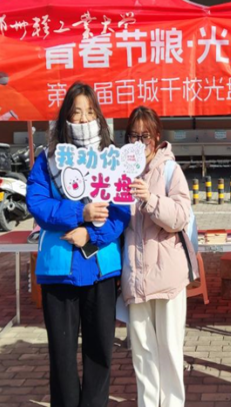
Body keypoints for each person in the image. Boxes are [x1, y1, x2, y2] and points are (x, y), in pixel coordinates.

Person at [27, 82, 130, 407]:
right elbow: (37, 203)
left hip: (101, 269)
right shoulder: (48, 159)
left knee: (100, 352)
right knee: (62, 356)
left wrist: (91, 234)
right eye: (76, 112)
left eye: (89, 111)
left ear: (98, 115)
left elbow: (121, 212)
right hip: (59, 270)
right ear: (65, 117)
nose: (83, 119)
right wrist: (79, 213)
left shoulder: (111, 158)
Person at [121, 106, 194, 407]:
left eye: (146, 136)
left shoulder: (170, 170)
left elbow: (180, 216)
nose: (140, 143)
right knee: (143, 354)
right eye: (134, 136)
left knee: (170, 350)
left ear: (157, 137)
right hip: (135, 278)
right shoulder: (120, 172)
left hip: (168, 278)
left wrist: (150, 199)